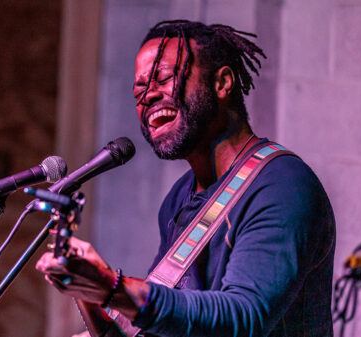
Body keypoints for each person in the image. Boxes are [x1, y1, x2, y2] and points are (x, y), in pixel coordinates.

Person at [36, 20, 335, 336]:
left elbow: (244, 318)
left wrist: (115, 288)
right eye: (138, 90)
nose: (148, 95)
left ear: (222, 83)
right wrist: (89, 293)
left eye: (163, 78)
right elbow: (165, 327)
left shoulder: (281, 185)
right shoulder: (180, 197)